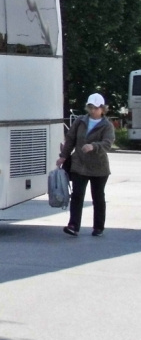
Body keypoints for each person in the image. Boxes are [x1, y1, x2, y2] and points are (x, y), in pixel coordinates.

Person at [56, 92, 114, 237]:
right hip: (79, 164)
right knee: (77, 195)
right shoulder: (80, 121)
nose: (93, 110)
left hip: (99, 167)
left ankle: (98, 227)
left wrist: (93, 146)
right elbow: (70, 140)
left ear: (102, 108)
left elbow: (108, 143)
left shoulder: (107, 125)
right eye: (90, 107)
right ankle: (73, 225)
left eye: (96, 108)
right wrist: (63, 156)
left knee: (98, 197)